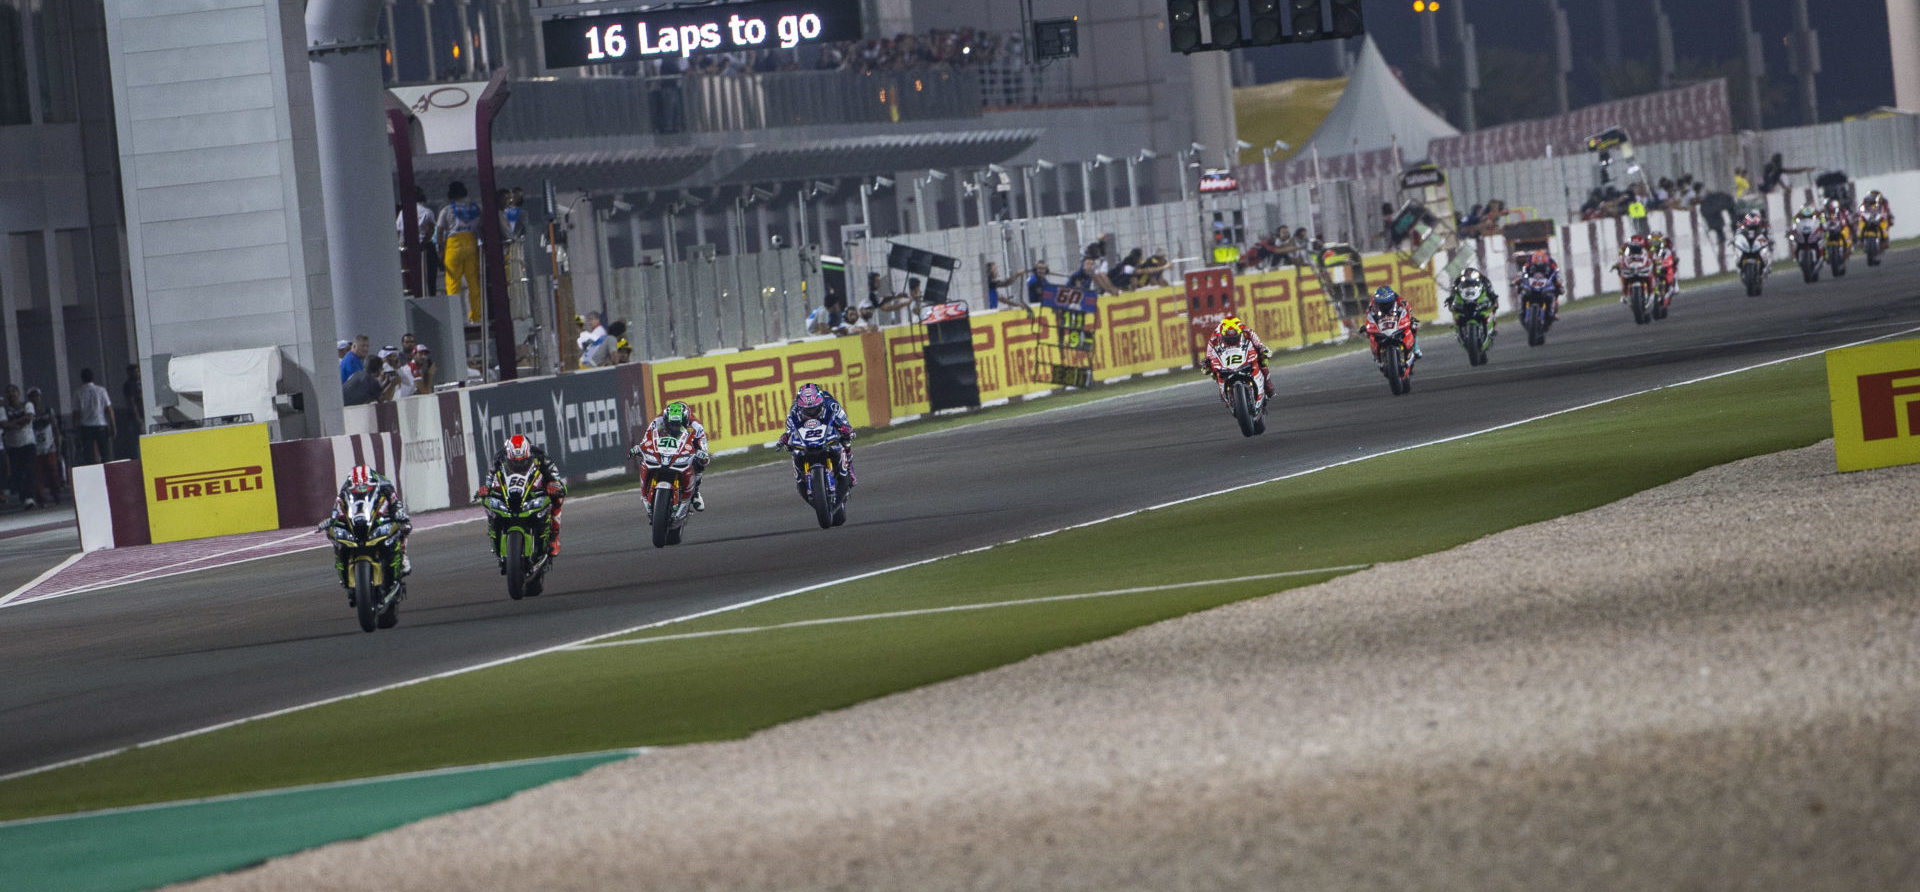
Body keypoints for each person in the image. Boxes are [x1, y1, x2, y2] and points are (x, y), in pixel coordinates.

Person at [321, 465, 411, 595]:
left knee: (403, 526)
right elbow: (337, 508)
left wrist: (399, 513)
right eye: (356, 485)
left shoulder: (384, 484)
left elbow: (395, 502)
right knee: (336, 539)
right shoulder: (346, 489)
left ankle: (402, 557)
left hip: (379, 519)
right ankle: (344, 575)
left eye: (363, 484)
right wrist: (332, 520)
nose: (360, 487)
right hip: (357, 524)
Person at [476, 434, 567, 557]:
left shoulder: (540, 456)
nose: (518, 465)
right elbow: (491, 475)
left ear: (528, 453)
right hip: (511, 490)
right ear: (509, 455)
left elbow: (554, 474)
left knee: (558, 497)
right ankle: (495, 536)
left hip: (533, 488)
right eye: (514, 462)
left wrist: (554, 484)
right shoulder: (500, 456)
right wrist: (486, 488)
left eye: (522, 461)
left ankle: (554, 535)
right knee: (488, 502)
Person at [775, 382, 855, 496]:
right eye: (807, 410)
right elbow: (790, 431)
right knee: (793, 450)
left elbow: (844, 423)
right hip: (807, 438)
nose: (811, 412)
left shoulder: (832, 405)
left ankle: (849, 467)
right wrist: (784, 439)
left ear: (820, 403)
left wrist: (847, 429)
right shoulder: (794, 411)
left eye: (814, 408)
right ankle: (800, 478)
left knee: (846, 438)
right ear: (800, 406)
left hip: (827, 430)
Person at [629, 400, 710, 511]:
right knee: (645, 457)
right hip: (665, 447)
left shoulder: (696, 425)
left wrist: (703, 454)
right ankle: (647, 491)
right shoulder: (658, 420)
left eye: (678, 424)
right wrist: (640, 447)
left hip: (687, 446)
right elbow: (647, 438)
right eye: (671, 424)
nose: (674, 428)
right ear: (666, 419)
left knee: (700, 462)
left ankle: (695, 492)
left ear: (685, 421)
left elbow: (703, 443)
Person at [437, 181, 484, 323]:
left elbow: (439, 230)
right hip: (471, 244)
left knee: (453, 284)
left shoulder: (446, 210)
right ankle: (476, 316)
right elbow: (481, 227)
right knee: (473, 283)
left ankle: (455, 318)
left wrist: (441, 248)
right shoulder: (475, 208)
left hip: (453, 245)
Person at [1202, 316, 1275, 398]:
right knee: (1212, 369)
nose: (1232, 340)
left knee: (1263, 359)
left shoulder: (1245, 329)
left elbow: (1257, 342)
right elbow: (1209, 352)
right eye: (1228, 338)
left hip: (1241, 350)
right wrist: (1207, 362)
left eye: (1234, 337)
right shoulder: (1215, 334)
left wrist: (1262, 349)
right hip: (1225, 353)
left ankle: (1268, 385)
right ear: (1222, 333)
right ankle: (1222, 388)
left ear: (1239, 330)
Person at [1364, 286, 1421, 363]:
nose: (1385, 306)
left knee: (1414, 327)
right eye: (1382, 304)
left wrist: (1410, 318)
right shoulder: (1372, 304)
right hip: (1382, 322)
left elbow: (1408, 309)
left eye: (1387, 303)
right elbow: (1368, 315)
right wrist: (1367, 325)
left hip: (1395, 319)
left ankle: (1416, 348)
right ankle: (1376, 353)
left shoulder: (1401, 301)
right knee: (1369, 333)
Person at [3, 384, 37, 508]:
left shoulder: (27, 405)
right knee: (18, 472)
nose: (11, 394)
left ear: (18, 393)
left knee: (29, 470)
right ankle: (23, 497)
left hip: (28, 442)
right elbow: (4, 424)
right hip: (13, 445)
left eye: (13, 391)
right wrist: (17, 423)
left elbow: (28, 418)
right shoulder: (3, 409)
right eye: (8, 392)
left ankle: (30, 497)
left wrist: (13, 423)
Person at [73, 367, 115, 464]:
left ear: (82, 378)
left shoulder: (78, 392)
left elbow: (76, 413)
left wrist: (76, 429)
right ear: (93, 377)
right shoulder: (101, 390)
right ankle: (107, 474)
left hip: (86, 427)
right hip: (101, 424)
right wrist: (113, 425)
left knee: (89, 456)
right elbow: (109, 409)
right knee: (105, 454)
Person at [26, 388, 60, 505]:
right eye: (32, 397)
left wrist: (58, 444)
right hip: (35, 448)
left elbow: (55, 427)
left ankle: (56, 495)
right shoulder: (28, 414)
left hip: (49, 447)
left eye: (37, 396)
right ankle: (41, 499)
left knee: (53, 472)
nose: (35, 399)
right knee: (38, 475)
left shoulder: (48, 411)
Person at [1445, 267, 1500, 337]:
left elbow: (1490, 289)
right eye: (1467, 273)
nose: (1469, 274)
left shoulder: (1483, 279)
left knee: (1494, 306)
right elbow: (1453, 289)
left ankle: (1494, 326)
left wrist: (1493, 297)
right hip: (1465, 299)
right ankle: (1457, 327)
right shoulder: (1459, 280)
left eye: (1470, 273)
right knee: (1454, 309)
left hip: (1478, 298)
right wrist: (1450, 298)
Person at [1513, 249, 1565, 322]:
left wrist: (1558, 283)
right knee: (1522, 291)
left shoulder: (1551, 262)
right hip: (1532, 283)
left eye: (1541, 266)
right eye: (1537, 265)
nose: (1539, 267)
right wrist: (1520, 279)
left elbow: (1556, 273)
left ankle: (1554, 311)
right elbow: (1524, 272)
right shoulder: (1529, 262)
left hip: (1546, 283)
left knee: (1556, 292)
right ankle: (1522, 310)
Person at [1645, 232, 1678, 302]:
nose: (1655, 241)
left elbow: (1673, 252)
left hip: (1665, 262)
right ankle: (1649, 291)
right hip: (1654, 264)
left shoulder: (1667, 243)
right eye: (1653, 239)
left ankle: (1675, 284)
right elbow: (1647, 256)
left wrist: (1674, 258)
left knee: (1674, 265)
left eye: (1657, 239)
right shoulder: (1649, 247)